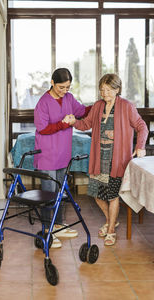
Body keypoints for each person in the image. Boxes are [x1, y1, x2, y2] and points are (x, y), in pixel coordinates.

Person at [66, 73, 148, 246]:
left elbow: (142, 127)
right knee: (96, 193)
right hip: (99, 157)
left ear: (117, 90)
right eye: (102, 90)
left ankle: (111, 230)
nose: (105, 93)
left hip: (117, 159)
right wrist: (73, 121)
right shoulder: (98, 106)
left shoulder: (126, 106)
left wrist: (140, 146)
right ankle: (111, 220)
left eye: (109, 90)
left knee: (112, 196)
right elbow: (86, 124)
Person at [34, 68, 92, 248]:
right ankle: (46, 230)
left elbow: (81, 111)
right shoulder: (43, 103)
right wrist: (63, 124)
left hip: (62, 154)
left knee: (60, 193)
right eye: (61, 87)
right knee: (48, 195)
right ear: (52, 82)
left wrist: (98, 106)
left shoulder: (69, 98)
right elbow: (42, 129)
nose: (64, 91)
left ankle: (57, 225)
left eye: (67, 87)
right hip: (47, 155)